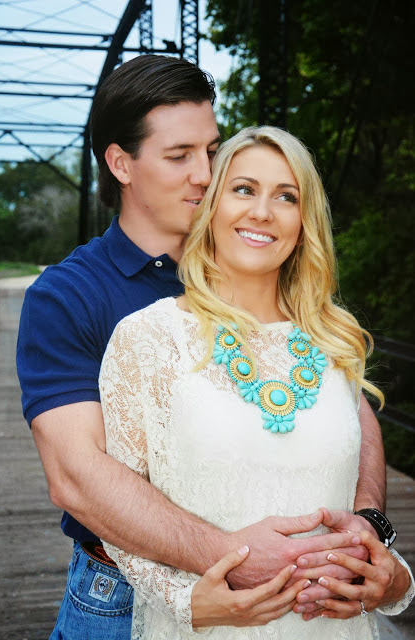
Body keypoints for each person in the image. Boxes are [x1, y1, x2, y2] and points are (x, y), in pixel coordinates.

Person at [15, 55, 395, 639]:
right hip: (126, 591)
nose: (205, 173)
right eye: (180, 156)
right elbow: (77, 475)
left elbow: (349, 404)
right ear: (121, 163)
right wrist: (231, 558)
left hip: (300, 591)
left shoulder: (255, 255)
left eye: (212, 151)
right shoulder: (69, 295)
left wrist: (368, 519)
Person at [99, 125, 414, 639]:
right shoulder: (148, 339)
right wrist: (190, 603)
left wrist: (392, 576)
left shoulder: (336, 342)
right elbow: (118, 515)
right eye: (244, 189)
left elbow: (359, 492)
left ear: (304, 223)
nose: (262, 212)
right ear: (211, 206)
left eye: (286, 196)